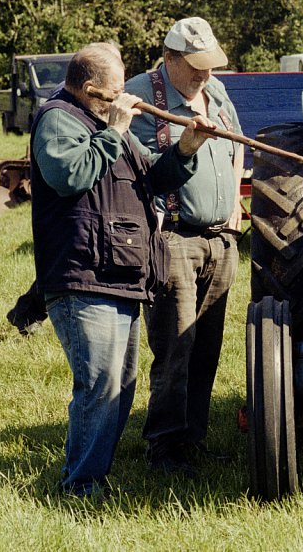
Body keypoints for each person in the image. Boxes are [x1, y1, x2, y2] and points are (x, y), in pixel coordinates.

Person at [30, 42, 215, 497]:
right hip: (83, 276)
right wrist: (114, 130)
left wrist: (186, 149)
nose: (122, 99)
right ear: (89, 88)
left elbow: (150, 176)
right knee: (99, 385)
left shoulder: (103, 124)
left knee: (120, 386)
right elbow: (69, 176)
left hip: (120, 274)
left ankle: (93, 477)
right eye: (114, 91)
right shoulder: (58, 119)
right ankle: (81, 485)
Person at [125, 17, 244, 478]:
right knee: (176, 346)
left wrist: (234, 207)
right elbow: (145, 172)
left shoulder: (217, 92)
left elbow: (237, 145)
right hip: (173, 238)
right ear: (169, 58)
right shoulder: (142, 98)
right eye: (195, 66)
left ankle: (193, 439)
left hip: (221, 240)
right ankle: (164, 448)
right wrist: (187, 149)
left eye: (209, 65)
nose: (204, 74)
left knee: (207, 347)